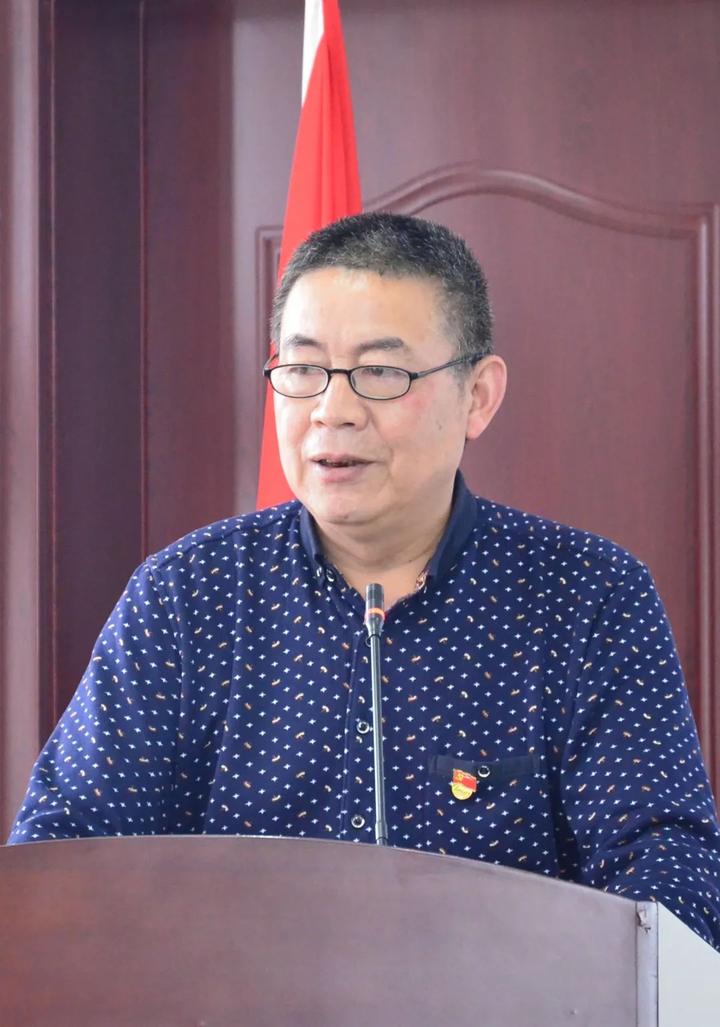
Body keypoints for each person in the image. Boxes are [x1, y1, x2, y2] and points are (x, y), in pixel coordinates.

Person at [7, 213, 720, 950]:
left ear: (478, 395)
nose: (333, 411)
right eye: (303, 369)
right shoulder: (188, 596)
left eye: (381, 373)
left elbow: (668, 880)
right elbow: (62, 861)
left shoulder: (587, 597)